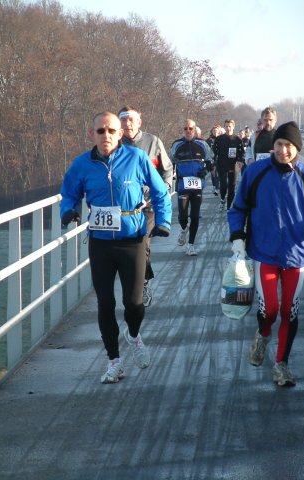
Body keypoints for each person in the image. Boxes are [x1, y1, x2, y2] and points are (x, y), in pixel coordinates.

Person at [60, 112, 172, 384]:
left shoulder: (136, 158)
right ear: (92, 134)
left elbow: (159, 190)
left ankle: (133, 335)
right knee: (105, 303)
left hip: (132, 238)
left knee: (133, 303)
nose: (106, 135)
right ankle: (114, 361)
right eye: (100, 131)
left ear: (120, 133)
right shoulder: (82, 164)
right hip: (100, 243)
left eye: (111, 130)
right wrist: (68, 211)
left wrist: (163, 221)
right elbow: (70, 192)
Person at [227, 121, 304, 387]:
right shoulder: (256, 172)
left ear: (296, 148)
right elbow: (237, 209)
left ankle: (281, 365)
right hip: (264, 253)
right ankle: (263, 335)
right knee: (270, 310)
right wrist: (237, 237)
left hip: (296, 255)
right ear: (273, 145)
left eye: (289, 146)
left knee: (289, 311)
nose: (283, 150)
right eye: (279, 144)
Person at [118, 106, 174, 308]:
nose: (127, 124)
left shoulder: (153, 142)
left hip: (148, 206)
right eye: (123, 120)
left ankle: (142, 283)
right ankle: (133, 281)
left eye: (131, 120)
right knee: (126, 248)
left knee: (143, 243)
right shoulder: (114, 144)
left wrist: (165, 188)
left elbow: (167, 170)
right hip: (122, 209)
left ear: (139, 122)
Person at [170, 119, 214, 256]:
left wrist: (205, 171)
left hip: (197, 185)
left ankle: (191, 245)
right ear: (182, 130)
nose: (188, 131)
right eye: (185, 129)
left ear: (194, 130)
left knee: (195, 216)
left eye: (190, 128)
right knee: (183, 216)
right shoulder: (176, 145)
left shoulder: (202, 144)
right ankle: (184, 229)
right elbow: (169, 164)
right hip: (183, 185)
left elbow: (211, 162)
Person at [213, 119, 245, 210]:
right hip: (222, 164)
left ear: (233, 127)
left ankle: (229, 206)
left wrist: (240, 160)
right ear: (224, 127)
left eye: (229, 126)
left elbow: (241, 152)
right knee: (223, 185)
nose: (228, 128)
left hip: (233, 165)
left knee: (232, 186)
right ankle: (223, 199)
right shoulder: (219, 139)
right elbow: (214, 152)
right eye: (226, 126)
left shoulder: (237, 139)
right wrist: (214, 163)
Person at [206, 125, 222, 196]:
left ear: (219, 132)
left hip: (219, 159)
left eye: (216, 131)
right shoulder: (209, 140)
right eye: (214, 131)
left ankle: (217, 188)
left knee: (217, 173)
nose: (215, 132)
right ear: (212, 132)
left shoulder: (221, 139)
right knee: (213, 173)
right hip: (211, 159)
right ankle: (214, 186)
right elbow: (206, 150)